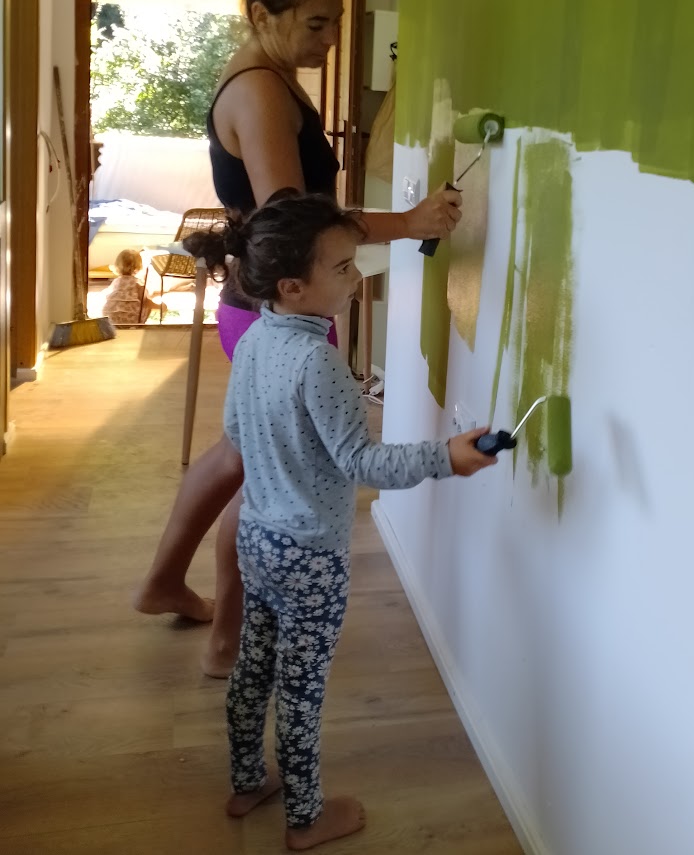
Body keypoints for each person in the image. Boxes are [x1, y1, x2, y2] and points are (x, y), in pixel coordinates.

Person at [134, 0, 461, 677]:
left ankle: (163, 583)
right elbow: (296, 225)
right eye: (315, 23)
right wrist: (409, 222)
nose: (331, 39)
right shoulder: (260, 92)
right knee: (262, 476)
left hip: (257, 303)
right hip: (272, 309)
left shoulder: (267, 77)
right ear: (262, 14)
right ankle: (227, 639)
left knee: (238, 454)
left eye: (336, 21)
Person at [192, 193, 494, 850]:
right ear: (292, 286)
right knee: (300, 689)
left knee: (255, 664)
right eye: (342, 267)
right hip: (309, 557)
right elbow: (362, 462)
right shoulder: (318, 360)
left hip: (257, 538)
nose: (356, 277)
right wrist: (445, 456)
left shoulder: (254, 339)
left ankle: (247, 781)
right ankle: (305, 818)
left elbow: (236, 432)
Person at [102, 248, 159, 324]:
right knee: (145, 305)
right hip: (130, 321)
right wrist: (159, 306)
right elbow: (146, 302)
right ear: (138, 267)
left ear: (117, 265)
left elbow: (110, 296)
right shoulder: (137, 284)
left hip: (110, 320)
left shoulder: (116, 282)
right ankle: (140, 325)